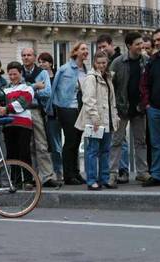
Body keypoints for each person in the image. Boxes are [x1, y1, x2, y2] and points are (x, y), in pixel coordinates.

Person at [109, 32, 150, 187]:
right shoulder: (118, 63)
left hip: (139, 109)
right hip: (121, 109)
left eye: (141, 44)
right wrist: (112, 106)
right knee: (117, 141)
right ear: (129, 46)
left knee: (140, 142)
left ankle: (142, 173)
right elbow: (109, 84)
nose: (141, 47)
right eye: (137, 44)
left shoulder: (146, 61)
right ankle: (112, 174)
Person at [75, 51, 119, 190]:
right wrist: (95, 118)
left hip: (107, 119)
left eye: (104, 63)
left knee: (106, 150)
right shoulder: (91, 78)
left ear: (107, 63)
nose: (101, 65)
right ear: (94, 63)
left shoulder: (108, 76)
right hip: (95, 120)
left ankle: (104, 178)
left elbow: (111, 100)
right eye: (99, 63)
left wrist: (115, 116)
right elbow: (88, 100)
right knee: (93, 150)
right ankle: (92, 180)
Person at [46, 41, 89, 185]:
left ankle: (75, 173)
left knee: (77, 141)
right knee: (70, 140)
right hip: (66, 107)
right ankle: (68, 175)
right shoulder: (64, 69)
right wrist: (51, 108)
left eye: (87, 49)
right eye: (83, 49)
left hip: (80, 108)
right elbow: (53, 90)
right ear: (75, 52)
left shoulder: (86, 70)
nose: (86, 51)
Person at [21, 48, 60, 187]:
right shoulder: (18, 72)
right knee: (28, 145)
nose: (26, 57)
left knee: (42, 145)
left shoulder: (42, 73)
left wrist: (28, 90)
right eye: (24, 55)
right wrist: (35, 87)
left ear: (34, 57)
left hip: (37, 111)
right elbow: (16, 92)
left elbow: (47, 92)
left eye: (29, 55)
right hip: (22, 112)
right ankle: (32, 176)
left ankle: (47, 176)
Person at [96, 34, 130, 183]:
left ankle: (122, 170)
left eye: (104, 46)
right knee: (113, 140)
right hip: (107, 105)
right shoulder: (104, 63)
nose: (102, 49)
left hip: (119, 105)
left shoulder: (120, 60)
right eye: (99, 48)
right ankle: (111, 171)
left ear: (111, 45)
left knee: (120, 139)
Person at [0, 61, 34, 185]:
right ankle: (16, 181)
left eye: (15, 74)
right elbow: (0, 104)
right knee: (12, 154)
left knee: (24, 152)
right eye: (10, 74)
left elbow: (23, 102)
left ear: (21, 73)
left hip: (23, 125)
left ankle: (28, 180)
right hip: (8, 124)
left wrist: (7, 108)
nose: (12, 77)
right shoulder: (5, 89)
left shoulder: (28, 87)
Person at [38, 52, 63, 182]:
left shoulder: (57, 76)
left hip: (57, 113)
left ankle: (59, 171)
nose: (42, 64)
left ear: (50, 63)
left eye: (45, 61)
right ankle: (51, 172)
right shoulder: (39, 77)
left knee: (56, 145)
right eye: (40, 62)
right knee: (47, 145)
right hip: (44, 113)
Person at [140, 28, 160, 187]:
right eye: (156, 40)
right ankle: (156, 174)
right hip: (154, 108)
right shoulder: (152, 61)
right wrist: (147, 103)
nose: (158, 42)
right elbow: (145, 84)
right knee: (155, 144)